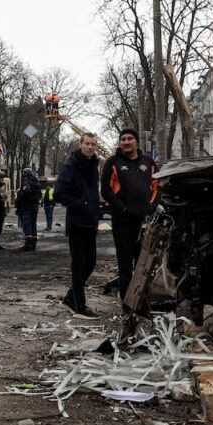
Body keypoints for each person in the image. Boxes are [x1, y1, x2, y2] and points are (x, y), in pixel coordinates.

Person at [101, 128, 158, 309]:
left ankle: (143, 304)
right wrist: (122, 209)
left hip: (145, 222)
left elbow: (158, 186)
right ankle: (128, 305)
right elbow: (106, 190)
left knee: (143, 264)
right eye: (123, 139)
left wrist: (151, 207)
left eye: (130, 138)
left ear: (136, 142)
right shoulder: (113, 162)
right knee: (125, 265)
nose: (126, 142)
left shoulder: (149, 163)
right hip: (123, 222)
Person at [54, 132, 103, 318]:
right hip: (76, 221)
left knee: (90, 263)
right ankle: (79, 306)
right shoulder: (71, 164)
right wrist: (81, 204)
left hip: (90, 221)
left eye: (93, 144)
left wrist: (95, 208)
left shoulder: (94, 165)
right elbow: (59, 193)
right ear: (80, 144)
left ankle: (70, 297)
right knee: (78, 263)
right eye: (87, 144)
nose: (90, 147)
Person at [15, 168, 41, 251]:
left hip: (27, 207)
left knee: (27, 225)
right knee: (33, 225)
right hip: (34, 207)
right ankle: (33, 243)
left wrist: (21, 194)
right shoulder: (36, 184)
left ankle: (28, 244)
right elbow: (39, 196)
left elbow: (27, 191)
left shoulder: (27, 182)